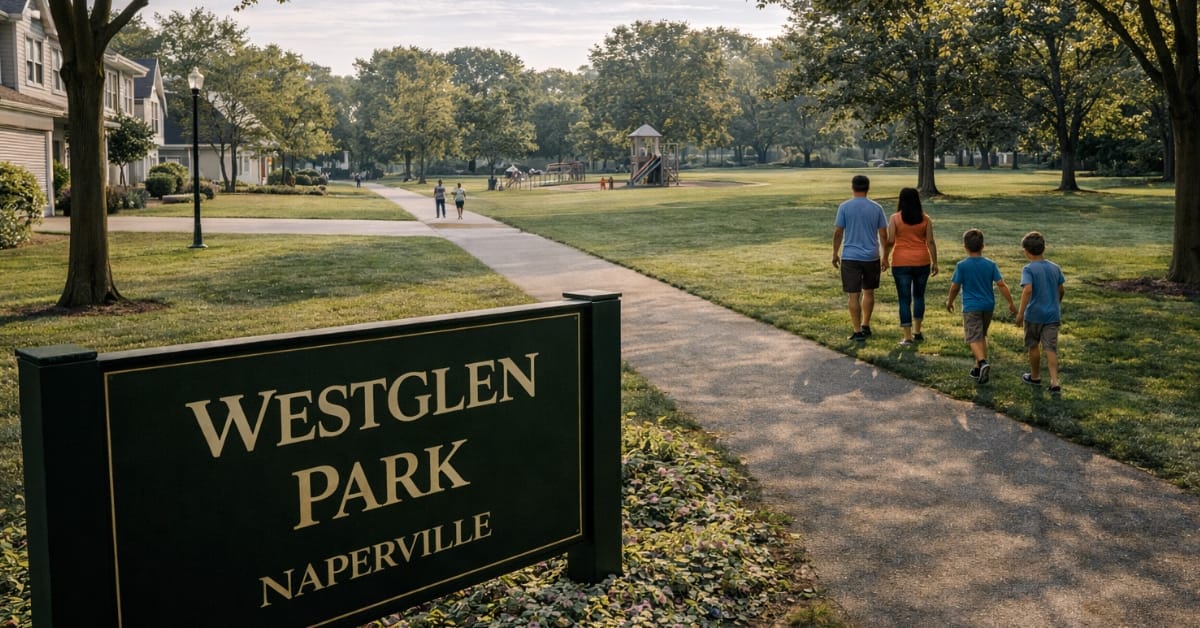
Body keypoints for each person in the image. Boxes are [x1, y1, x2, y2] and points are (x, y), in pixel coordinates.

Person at [946, 229, 1016, 384]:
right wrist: (1010, 302)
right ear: (983, 246)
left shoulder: (962, 266)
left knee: (972, 336)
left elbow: (955, 287)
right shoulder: (990, 265)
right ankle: (977, 368)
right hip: (988, 306)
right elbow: (1001, 285)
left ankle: (983, 362)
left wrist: (950, 301)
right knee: (981, 335)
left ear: (965, 246)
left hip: (971, 306)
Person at [833, 175, 889, 341]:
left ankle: (857, 331)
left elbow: (838, 232)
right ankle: (865, 324)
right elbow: (883, 234)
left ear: (852, 187)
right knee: (869, 291)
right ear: (868, 188)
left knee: (853, 295)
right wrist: (885, 256)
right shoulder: (876, 208)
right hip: (871, 256)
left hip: (850, 256)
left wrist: (835, 253)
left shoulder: (844, 207)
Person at [885, 188, 939, 346]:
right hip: (922, 261)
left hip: (901, 261)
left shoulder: (895, 218)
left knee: (904, 299)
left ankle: (907, 336)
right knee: (919, 296)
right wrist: (935, 262)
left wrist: (884, 258)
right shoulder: (925, 219)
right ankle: (917, 331)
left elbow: (890, 241)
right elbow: (930, 242)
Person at [1015, 231, 1066, 394]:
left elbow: (1028, 289)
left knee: (1033, 345)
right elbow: (1061, 289)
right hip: (1052, 315)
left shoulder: (1028, 269)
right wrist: (1056, 303)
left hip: (1034, 315)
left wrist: (1020, 313)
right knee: (1050, 348)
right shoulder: (1055, 267)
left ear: (1027, 251)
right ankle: (1054, 381)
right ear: (1043, 249)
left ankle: (1035, 376)